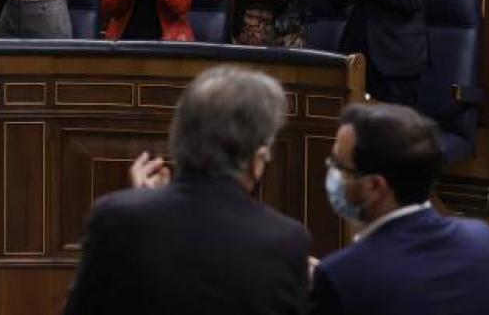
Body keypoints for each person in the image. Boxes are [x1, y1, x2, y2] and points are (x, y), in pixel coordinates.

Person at [63, 66, 310, 313]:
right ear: (258, 160)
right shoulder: (286, 241)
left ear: (178, 140)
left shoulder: (114, 217)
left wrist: (144, 203)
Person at [311, 103, 489, 315]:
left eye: (339, 165)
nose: (331, 172)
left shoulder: (341, 276)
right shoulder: (484, 240)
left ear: (375, 186)